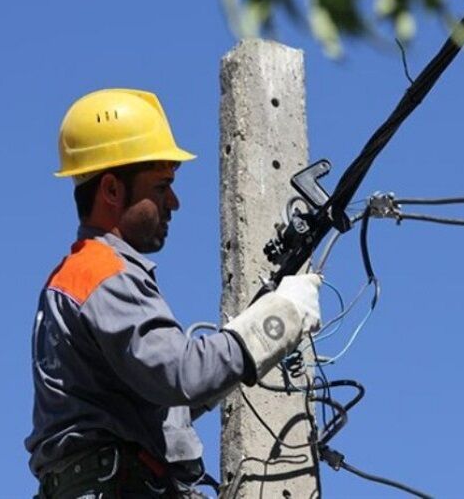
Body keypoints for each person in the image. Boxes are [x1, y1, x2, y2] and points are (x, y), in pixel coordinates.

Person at [25, 88, 321, 498]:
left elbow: (161, 401)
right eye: (162, 186)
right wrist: (279, 318)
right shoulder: (100, 273)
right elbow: (182, 376)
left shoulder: (77, 278)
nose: (175, 202)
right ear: (112, 189)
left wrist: (236, 348)